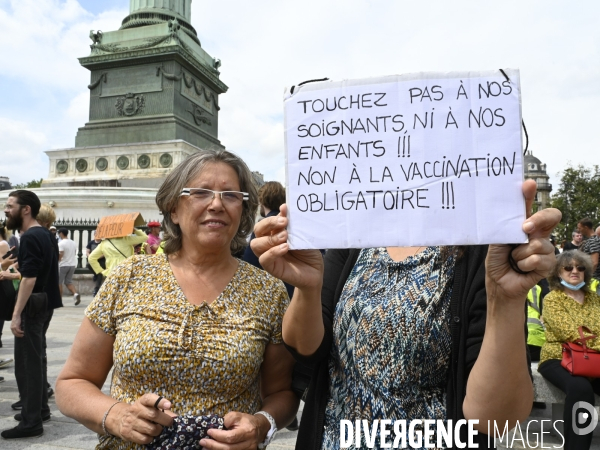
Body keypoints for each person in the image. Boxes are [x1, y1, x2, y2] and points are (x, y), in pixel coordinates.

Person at [251, 179, 560, 449]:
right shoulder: (356, 235)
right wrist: (307, 289)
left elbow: (495, 420)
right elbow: (306, 348)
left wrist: (505, 299)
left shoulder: (481, 247)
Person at [56, 150, 298, 449]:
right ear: (173, 209)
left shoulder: (268, 291)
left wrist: (261, 424)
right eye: (200, 192)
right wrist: (117, 416)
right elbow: (72, 382)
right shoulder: (129, 277)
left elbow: (282, 393)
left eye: (231, 195)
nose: (217, 204)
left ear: (243, 209)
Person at [2, 190, 62, 439]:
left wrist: (16, 315)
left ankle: (31, 421)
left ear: (26, 209)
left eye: (10, 205)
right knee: (36, 359)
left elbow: (29, 278)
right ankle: (39, 410)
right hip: (43, 304)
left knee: (27, 363)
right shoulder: (45, 234)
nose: (6, 210)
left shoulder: (30, 237)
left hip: (32, 306)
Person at [537, 250, 600, 450]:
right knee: (581, 389)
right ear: (558, 272)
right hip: (558, 356)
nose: (575, 271)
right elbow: (570, 333)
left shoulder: (594, 299)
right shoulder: (552, 299)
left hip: (593, 358)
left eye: (580, 268)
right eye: (568, 267)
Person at [57, 229, 81, 306]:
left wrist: (57, 261)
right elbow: (74, 252)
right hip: (72, 264)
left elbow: (61, 254)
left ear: (61, 233)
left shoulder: (61, 243)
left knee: (59, 282)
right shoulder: (73, 242)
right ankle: (75, 294)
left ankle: (59, 300)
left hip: (63, 265)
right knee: (68, 282)